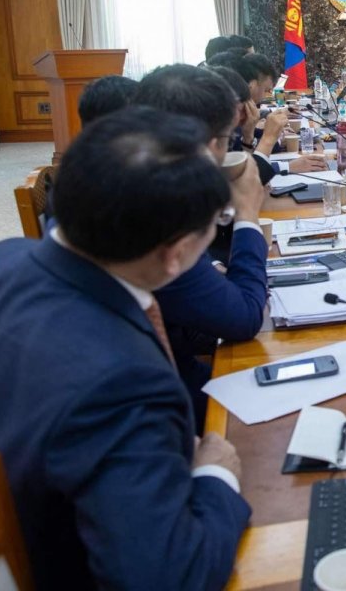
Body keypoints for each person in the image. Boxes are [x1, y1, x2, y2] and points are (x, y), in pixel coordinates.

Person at [0, 107, 251, 589]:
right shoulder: (122, 383)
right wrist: (216, 476)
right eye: (216, 222)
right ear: (175, 254)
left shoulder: (1, 259)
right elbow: (172, 578)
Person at [132, 66, 269, 425]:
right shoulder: (160, 222)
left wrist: (208, 267)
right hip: (169, 406)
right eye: (228, 137)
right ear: (212, 146)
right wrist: (247, 214)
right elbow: (244, 319)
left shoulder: (128, 177)